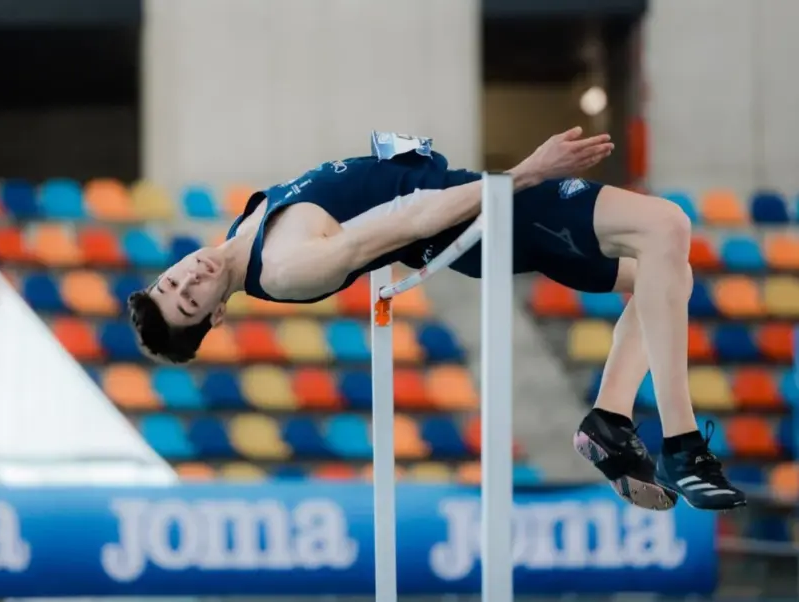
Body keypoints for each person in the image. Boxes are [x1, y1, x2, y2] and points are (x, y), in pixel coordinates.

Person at [127, 127, 746, 512]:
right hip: (479, 217)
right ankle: (682, 446)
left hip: (473, 204)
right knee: (667, 225)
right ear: (214, 317)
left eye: (172, 279)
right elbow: (409, 219)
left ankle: (610, 420)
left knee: (667, 277)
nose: (190, 278)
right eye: (187, 299)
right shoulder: (285, 269)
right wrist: (527, 173)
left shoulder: (245, 229)